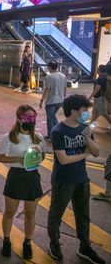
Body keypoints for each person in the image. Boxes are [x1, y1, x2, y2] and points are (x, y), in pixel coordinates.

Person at [47, 94, 104, 264]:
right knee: (56, 213)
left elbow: (96, 152)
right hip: (63, 180)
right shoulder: (58, 131)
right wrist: (84, 153)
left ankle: (84, 246)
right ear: (74, 111)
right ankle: (54, 243)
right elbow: (63, 160)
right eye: (84, 109)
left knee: (83, 214)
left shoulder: (85, 128)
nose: (87, 112)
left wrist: (87, 138)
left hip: (81, 180)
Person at [0, 105, 46, 260]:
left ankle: (27, 242)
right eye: (27, 117)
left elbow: (42, 156)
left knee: (30, 213)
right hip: (15, 176)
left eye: (33, 117)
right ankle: (6, 240)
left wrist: (38, 155)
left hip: (32, 176)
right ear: (18, 118)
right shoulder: (9, 137)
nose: (30, 120)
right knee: (10, 211)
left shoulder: (38, 137)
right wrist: (19, 159)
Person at [39, 62, 67, 140]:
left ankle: (51, 135)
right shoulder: (63, 75)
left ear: (50, 67)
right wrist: (63, 98)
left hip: (51, 101)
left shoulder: (49, 76)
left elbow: (47, 89)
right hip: (60, 100)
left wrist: (42, 100)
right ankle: (59, 131)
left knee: (50, 119)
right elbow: (65, 88)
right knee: (53, 116)